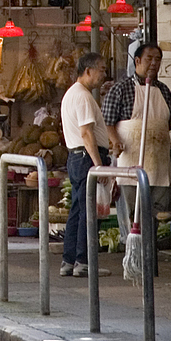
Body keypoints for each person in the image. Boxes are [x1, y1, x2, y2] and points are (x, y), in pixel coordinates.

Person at [103, 39, 171, 244]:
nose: (154, 63)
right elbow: (108, 122)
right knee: (132, 217)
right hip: (130, 163)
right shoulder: (120, 89)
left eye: (158, 59)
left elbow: (169, 121)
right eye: (149, 59)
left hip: (158, 163)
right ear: (137, 60)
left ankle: (150, 258)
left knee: (155, 215)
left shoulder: (164, 90)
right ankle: (133, 258)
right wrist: (115, 141)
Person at [59, 53, 110, 279]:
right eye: (101, 69)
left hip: (77, 157)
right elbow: (86, 133)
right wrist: (98, 165)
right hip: (86, 157)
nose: (104, 74)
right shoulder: (82, 97)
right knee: (87, 211)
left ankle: (69, 260)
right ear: (88, 70)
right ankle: (83, 261)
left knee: (79, 209)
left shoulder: (74, 94)